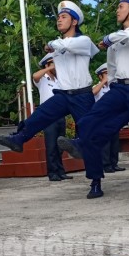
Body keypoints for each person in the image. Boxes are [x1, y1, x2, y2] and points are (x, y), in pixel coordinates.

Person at [57, 0, 129, 200]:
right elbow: (111, 68)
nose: (117, 10)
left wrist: (109, 38)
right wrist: (113, 83)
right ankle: (80, 145)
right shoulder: (114, 44)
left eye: (121, 7)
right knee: (90, 119)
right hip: (120, 89)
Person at [0, 1, 99, 153]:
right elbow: (61, 45)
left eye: (64, 17)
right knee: (41, 114)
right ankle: (19, 138)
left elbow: (67, 45)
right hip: (64, 94)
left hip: (82, 95)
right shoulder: (58, 45)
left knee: (86, 133)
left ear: (75, 21)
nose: (59, 20)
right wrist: (53, 45)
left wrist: (51, 44)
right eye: (58, 17)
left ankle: (95, 174)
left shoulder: (84, 41)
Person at [32, 53, 72, 181]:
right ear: (47, 65)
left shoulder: (58, 80)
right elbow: (34, 76)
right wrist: (49, 68)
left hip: (60, 116)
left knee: (60, 145)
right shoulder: (43, 79)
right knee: (51, 146)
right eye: (54, 65)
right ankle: (52, 172)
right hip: (48, 116)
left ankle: (61, 171)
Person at [92, 63, 124, 174]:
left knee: (115, 143)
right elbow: (92, 93)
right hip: (102, 119)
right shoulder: (97, 87)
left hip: (113, 118)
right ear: (100, 76)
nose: (108, 76)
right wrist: (103, 82)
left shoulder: (113, 88)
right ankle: (106, 165)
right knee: (106, 143)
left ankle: (114, 164)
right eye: (105, 73)